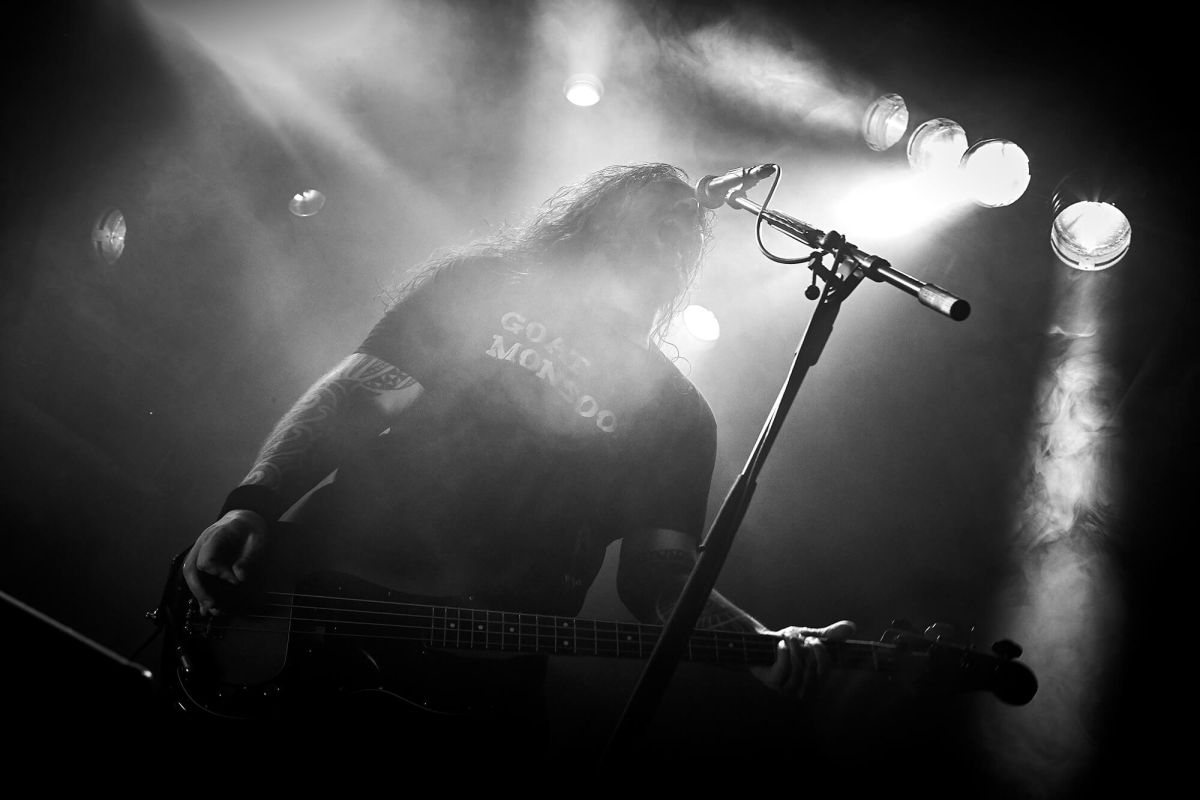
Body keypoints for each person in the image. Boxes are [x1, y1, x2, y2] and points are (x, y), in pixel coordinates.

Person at [180, 162, 853, 740]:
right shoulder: (488, 285)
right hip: (333, 592)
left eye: (687, 231)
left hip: (484, 688)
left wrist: (755, 644)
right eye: (657, 212)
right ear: (600, 215)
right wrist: (252, 505)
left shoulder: (676, 414)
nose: (676, 231)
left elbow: (661, 579)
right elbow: (356, 396)